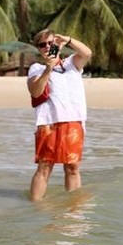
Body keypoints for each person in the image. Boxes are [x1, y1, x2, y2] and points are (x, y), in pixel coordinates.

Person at [27, 29, 92, 201]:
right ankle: (35, 206)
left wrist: (68, 40)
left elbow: (87, 53)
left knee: (72, 168)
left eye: (51, 43)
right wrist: (48, 69)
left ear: (57, 45)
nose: (47, 47)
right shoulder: (36, 68)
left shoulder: (71, 63)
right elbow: (35, 92)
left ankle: (73, 207)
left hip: (74, 122)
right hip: (48, 123)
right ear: (38, 49)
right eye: (42, 45)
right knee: (44, 167)